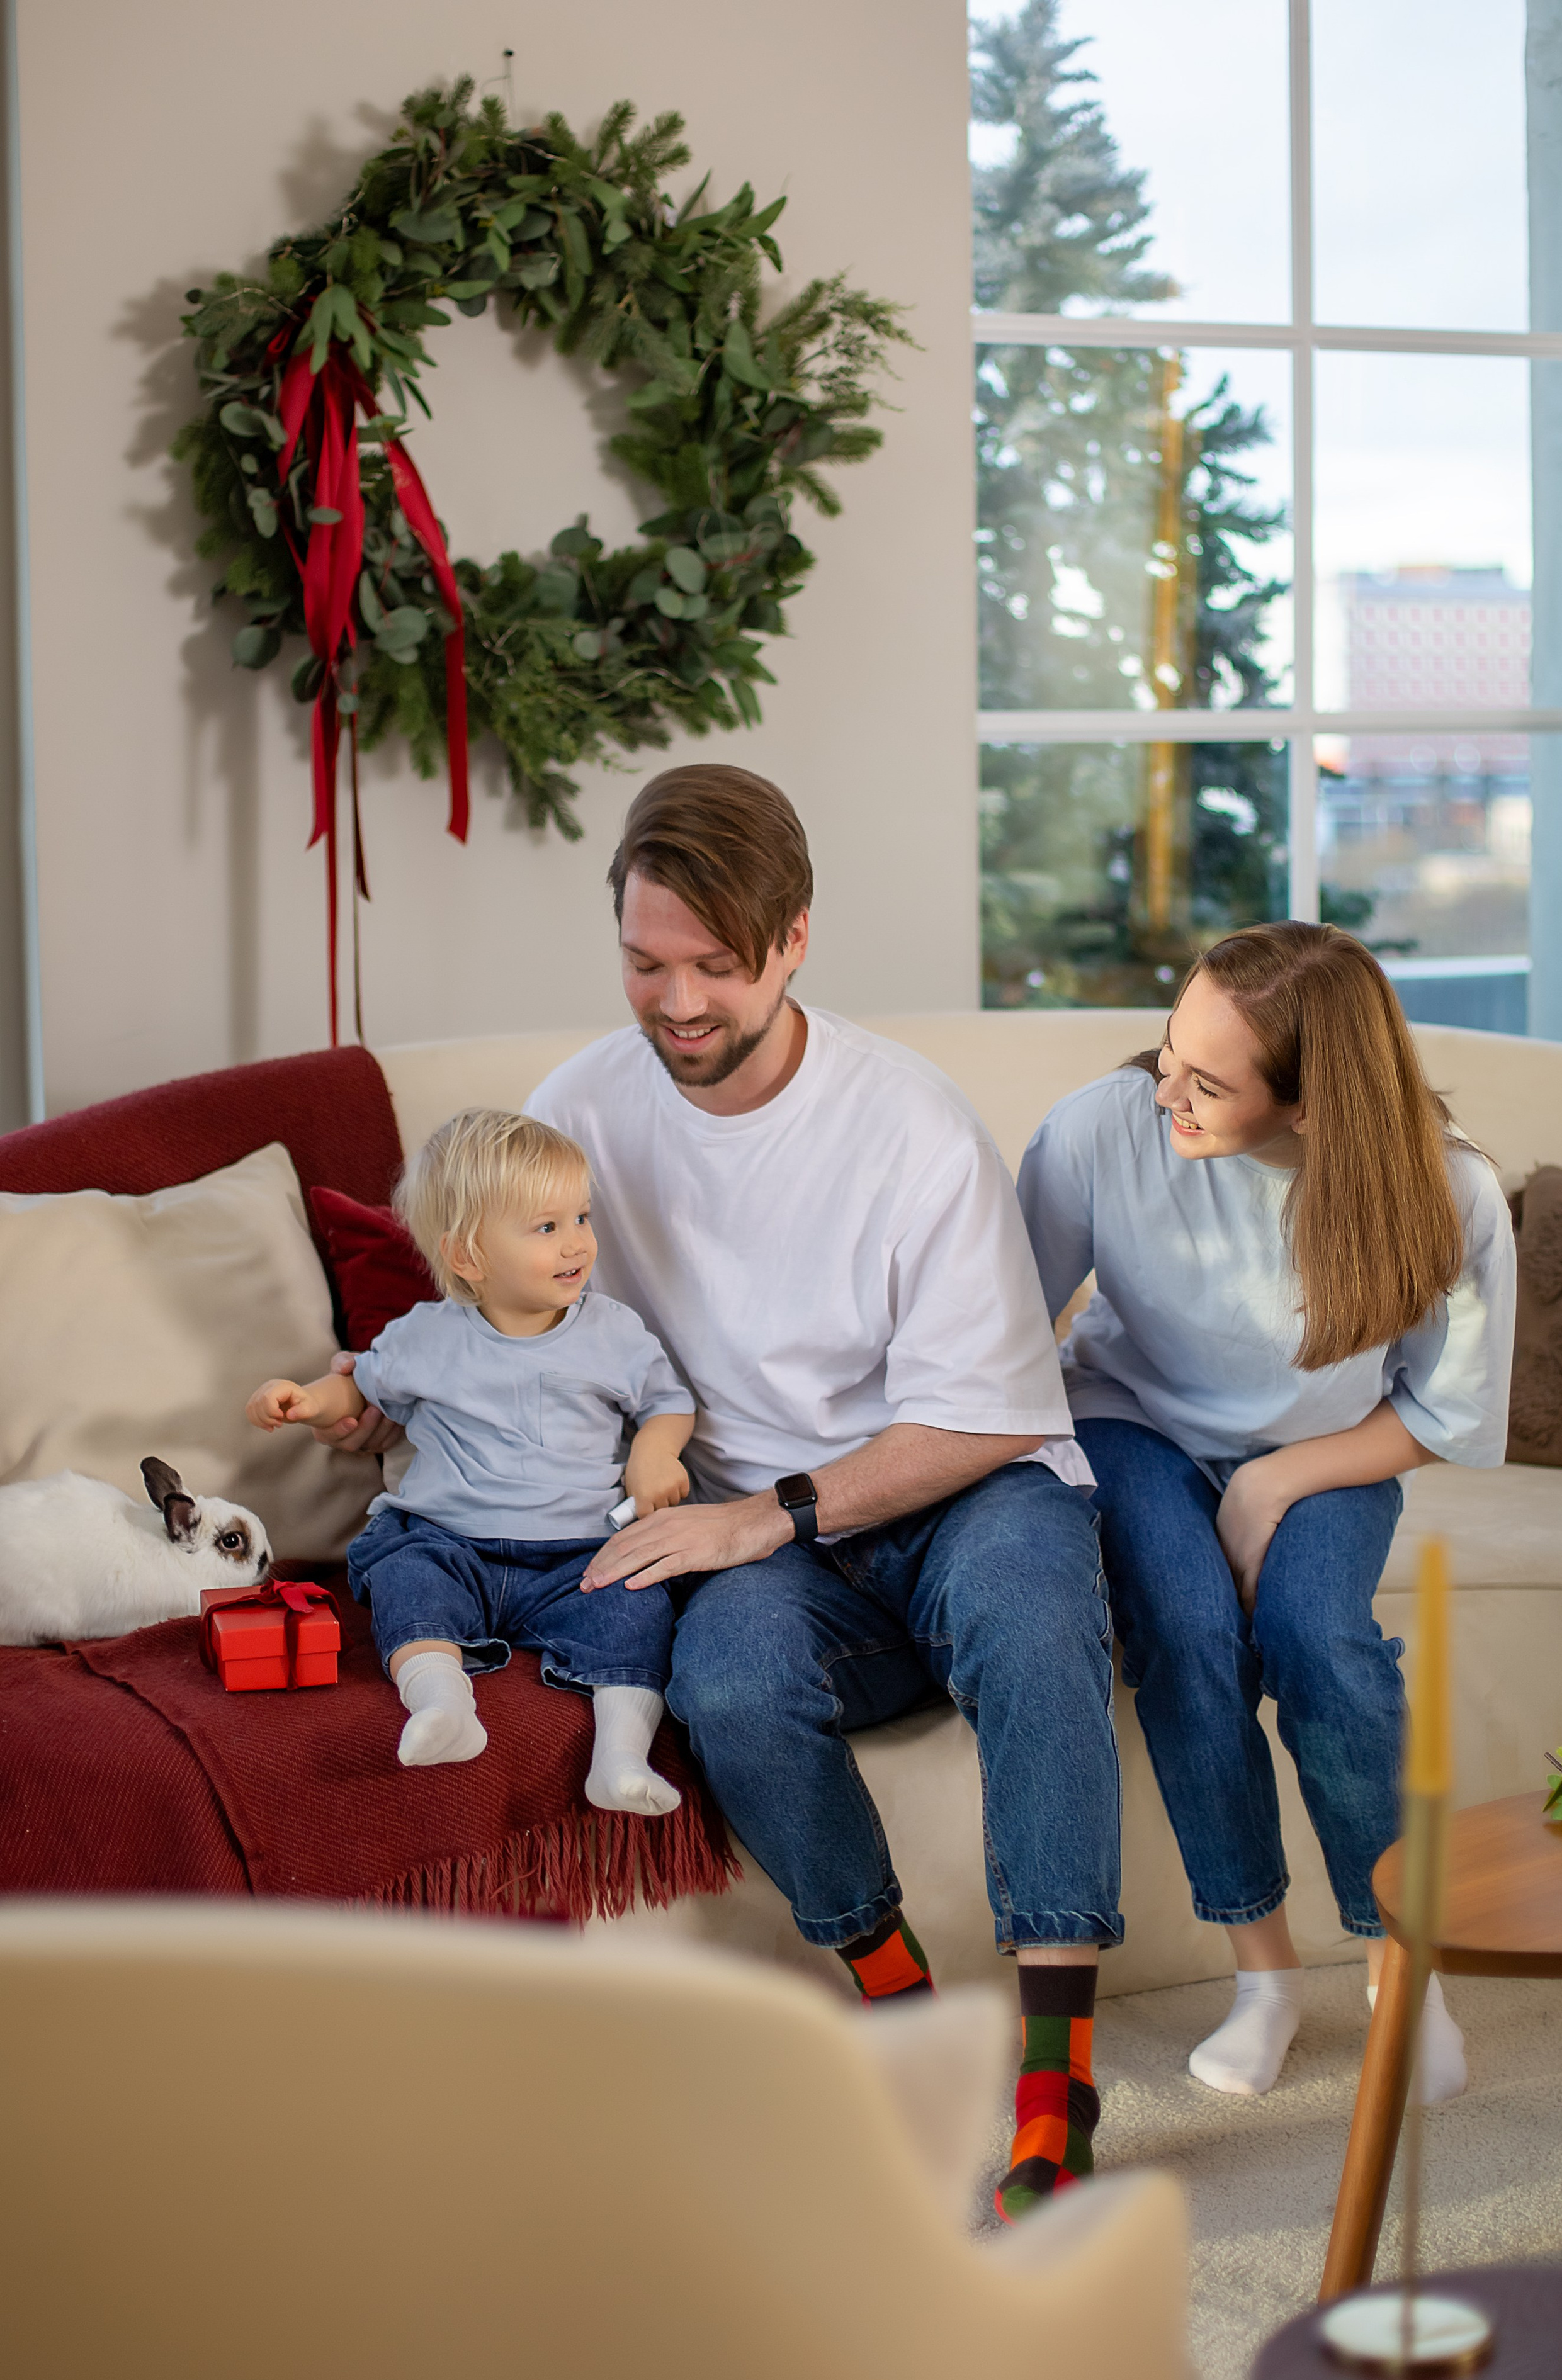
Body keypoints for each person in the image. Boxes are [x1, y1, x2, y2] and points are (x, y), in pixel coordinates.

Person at [313, 764, 1123, 2225]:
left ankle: (1055, 2068)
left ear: (793, 940)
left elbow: (985, 1413)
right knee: (731, 1683)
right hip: (757, 1526)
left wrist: (765, 1513)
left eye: (714, 966)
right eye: (644, 962)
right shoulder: (581, 1112)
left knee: (1029, 1612)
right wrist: (383, 1400)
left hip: (956, 1484)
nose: (676, 1001)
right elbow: (505, 1308)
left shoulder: (909, 1127)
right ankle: (896, 2013)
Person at [1017, 922, 1515, 2102]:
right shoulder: (1098, 1129)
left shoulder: (1447, 1190)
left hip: (1333, 1451)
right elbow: (996, 1333)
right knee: (1186, 1634)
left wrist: (1273, 1481)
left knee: (1324, 1643)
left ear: (1307, 1107)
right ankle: (1265, 1976)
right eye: (1165, 1053)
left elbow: (1446, 1412)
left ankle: (1403, 1971)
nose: (1163, 1095)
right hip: (1128, 1421)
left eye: (1207, 1082)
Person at [246, 1108, 696, 1813]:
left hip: (579, 1553)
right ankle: (443, 1705)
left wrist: (653, 1452)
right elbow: (356, 1386)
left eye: (581, 1217)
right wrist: (303, 1398)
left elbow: (669, 1403)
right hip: (448, 1539)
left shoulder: (613, 1332)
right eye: (547, 1228)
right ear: (467, 1258)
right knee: (405, 1578)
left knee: (637, 1608)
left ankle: (619, 1760)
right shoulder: (425, 1337)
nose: (578, 1243)